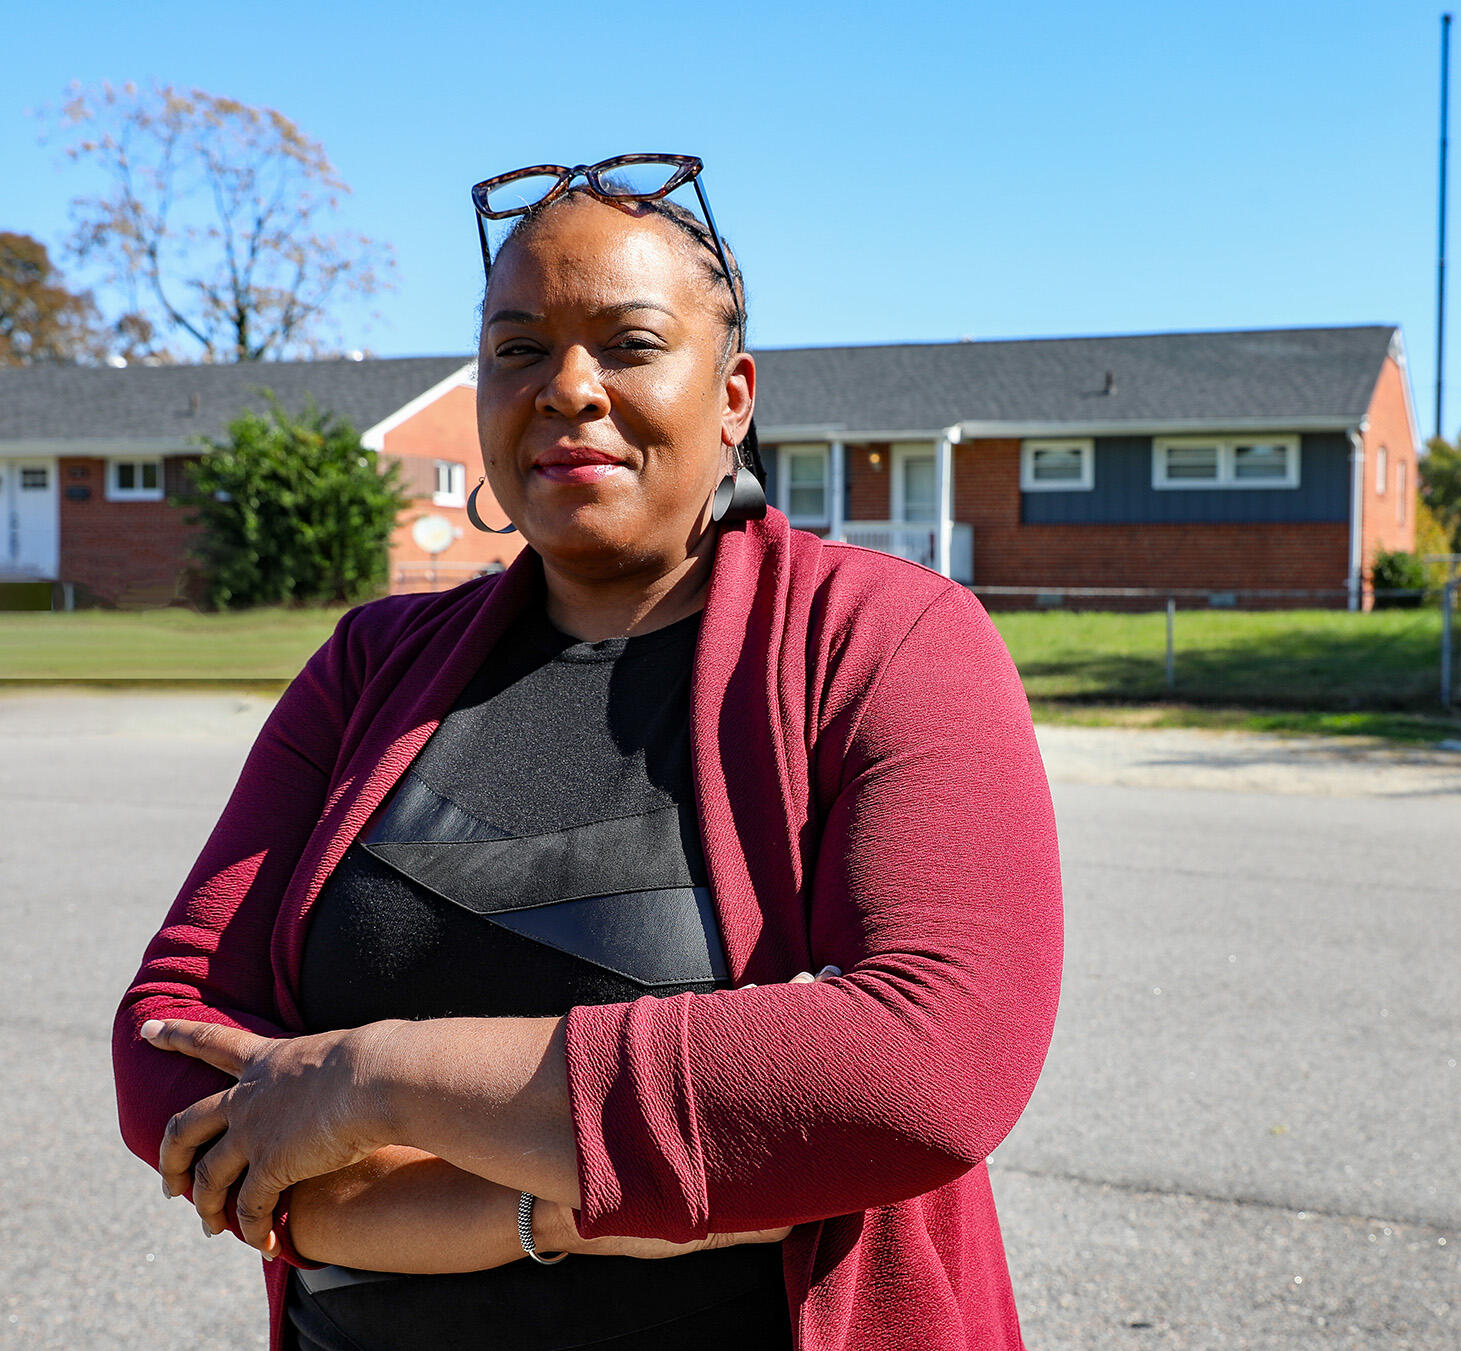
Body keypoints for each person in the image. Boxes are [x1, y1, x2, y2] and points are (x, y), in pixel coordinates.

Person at [110, 155, 1064, 1351]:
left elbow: (925, 1067)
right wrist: (570, 1210)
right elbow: (170, 1042)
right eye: (518, 348)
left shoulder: (882, 638)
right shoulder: (369, 667)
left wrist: (367, 1083)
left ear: (732, 396)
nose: (566, 387)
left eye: (627, 343)